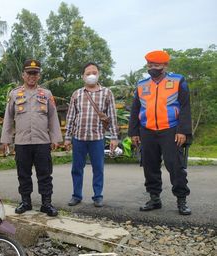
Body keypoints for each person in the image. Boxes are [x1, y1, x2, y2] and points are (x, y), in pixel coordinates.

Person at [128, 50, 192, 215]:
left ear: (165, 65)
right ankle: (154, 199)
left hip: (171, 130)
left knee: (175, 166)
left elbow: (185, 107)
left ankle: (181, 200)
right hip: (147, 131)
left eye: (156, 65)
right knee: (149, 166)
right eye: (150, 65)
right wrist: (134, 132)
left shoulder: (178, 80)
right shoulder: (142, 85)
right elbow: (135, 110)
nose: (152, 68)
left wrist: (183, 131)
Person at [0, 59, 63, 217]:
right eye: (29, 73)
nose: (32, 76)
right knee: (23, 173)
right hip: (22, 142)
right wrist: (6, 139)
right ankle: (25, 202)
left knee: (45, 173)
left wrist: (55, 138)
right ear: (23, 75)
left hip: (42, 141)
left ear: (39, 76)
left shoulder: (46, 94)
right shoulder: (14, 94)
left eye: (35, 73)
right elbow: (8, 118)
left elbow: (53, 117)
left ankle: (46, 203)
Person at [64, 62, 119, 207]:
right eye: (88, 73)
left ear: (99, 74)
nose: (91, 76)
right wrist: (68, 138)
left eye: (94, 72)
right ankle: (76, 195)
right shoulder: (77, 94)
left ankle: (98, 196)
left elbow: (112, 116)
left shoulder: (107, 93)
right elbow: (70, 117)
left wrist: (114, 137)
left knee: (98, 168)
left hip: (97, 138)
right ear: (83, 76)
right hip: (79, 138)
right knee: (76, 168)